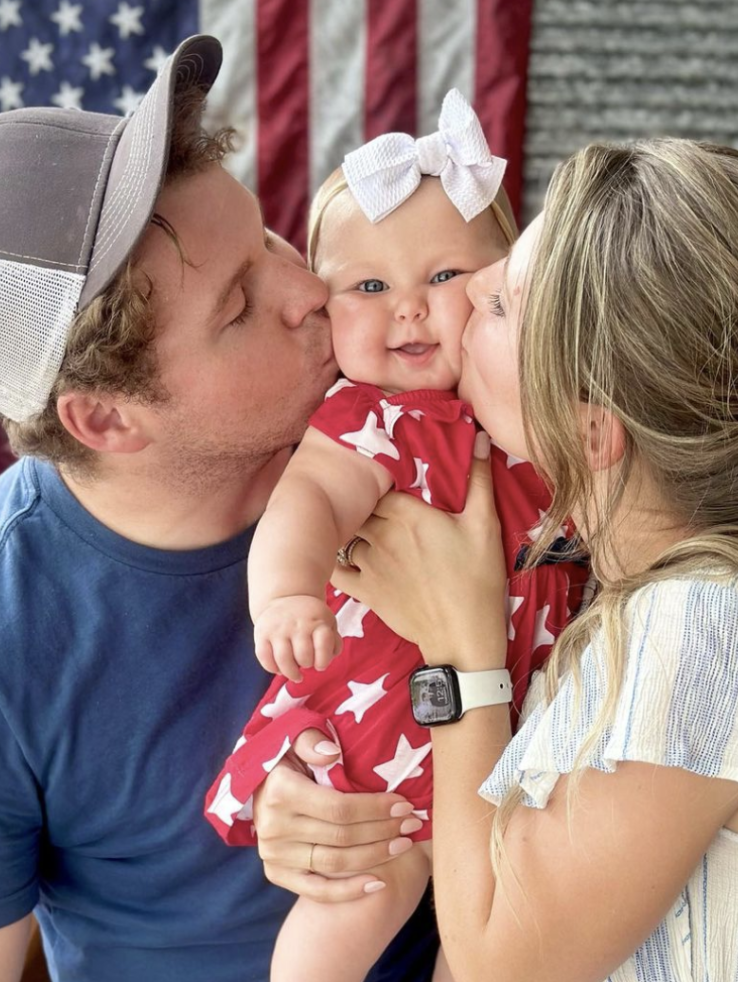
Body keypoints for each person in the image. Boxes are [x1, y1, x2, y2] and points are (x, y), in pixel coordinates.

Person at [274, 140, 738, 980]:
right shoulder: (618, 587)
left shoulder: (703, 624)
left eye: (505, 306)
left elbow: (495, 964)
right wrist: (323, 802)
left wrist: (460, 655)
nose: (469, 287)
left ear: (590, 432)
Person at [0, 34, 435, 982]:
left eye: (270, 238)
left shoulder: (401, 421)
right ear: (106, 419)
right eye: (239, 305)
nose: (312, 291)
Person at [203, 92, 587, 982]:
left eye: (445, 278)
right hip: (387, 727)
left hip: (524, 732)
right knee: (351, 909)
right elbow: (311, 502)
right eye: (370, 288)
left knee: (499, 932)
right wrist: (291, 592)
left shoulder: (537, 415)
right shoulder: (371, 416)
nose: (409, 310)